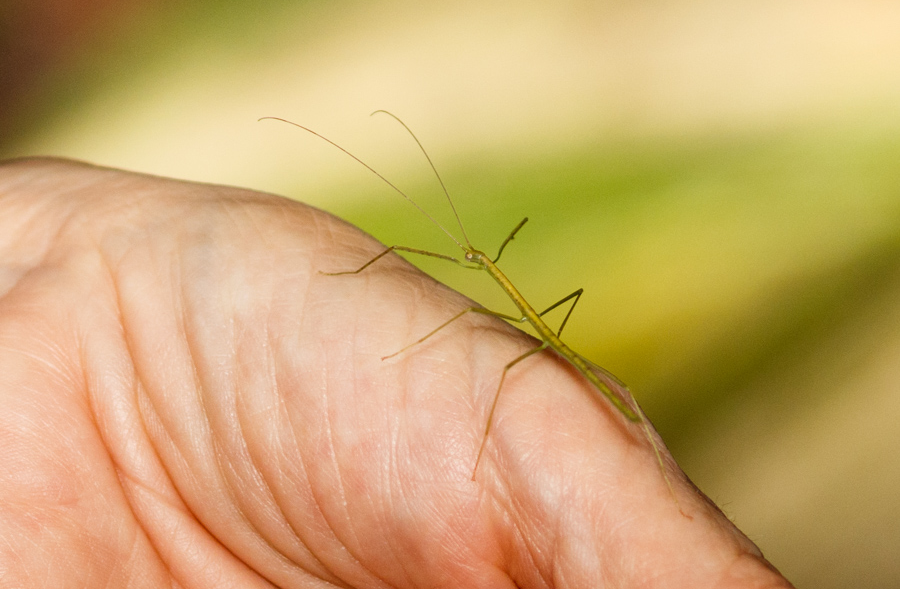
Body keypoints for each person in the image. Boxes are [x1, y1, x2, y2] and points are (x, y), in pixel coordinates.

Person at [0, 158, 793, 588]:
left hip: (550, 341)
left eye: (481, 258)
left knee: (600, 386)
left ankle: (641, 444)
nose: (476, 263)